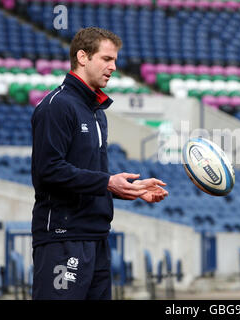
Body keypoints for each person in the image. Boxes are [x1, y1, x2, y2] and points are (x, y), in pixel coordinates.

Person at [31, 27, 168, 300]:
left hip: (97, 237)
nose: (114, 67)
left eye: (115, 60)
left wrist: (127, 189)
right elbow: (48, 170)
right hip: (63, 238)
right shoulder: (57, 106)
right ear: (83, 57)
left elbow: (90, 177)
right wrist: (106, 181)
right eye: (107, 59)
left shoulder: (97, 112)